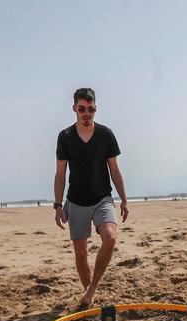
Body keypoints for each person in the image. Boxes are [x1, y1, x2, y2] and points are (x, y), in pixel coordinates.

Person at [54, 88, 128, 307]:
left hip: (102, 198)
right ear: (74, 109)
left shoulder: (106, 134)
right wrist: (58, 205)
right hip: (75, 201)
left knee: (111, 238)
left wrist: (123, 199)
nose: (87, 113)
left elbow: (114, 170)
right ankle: (89, 299)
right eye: (82, 109)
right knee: (80, 253)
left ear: (96, 108)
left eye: (91, 108)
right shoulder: (65, 137)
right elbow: (60, 174)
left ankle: (92, 289)